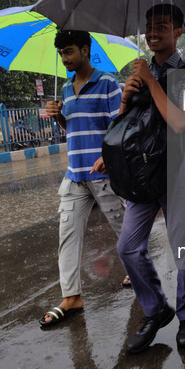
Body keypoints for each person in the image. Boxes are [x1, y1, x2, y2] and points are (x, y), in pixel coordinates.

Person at [116, 4, 185, 353]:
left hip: (180, 167)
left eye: (163, 26)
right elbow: (128, 124)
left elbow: (181, 122)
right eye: (149, 26)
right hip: (144, 169)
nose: (153, 33)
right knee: (127, 246)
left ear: (179, 31)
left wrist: (152, 82)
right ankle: (156, 310)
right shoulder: (139, 72)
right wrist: (127, 96)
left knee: (182, 244)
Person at [39, 30, 126, 326]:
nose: (65, 58)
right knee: (67, 236)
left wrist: (108, 156)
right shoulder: (64, 89)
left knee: (125, 229)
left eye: (69, 51)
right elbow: (72, 129)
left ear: (85, 50)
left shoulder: (107, 83)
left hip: (103, 174)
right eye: (61, 53)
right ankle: (72, 296)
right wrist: (58, 116)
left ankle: (140, 274)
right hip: (74, 175)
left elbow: (120, 126)